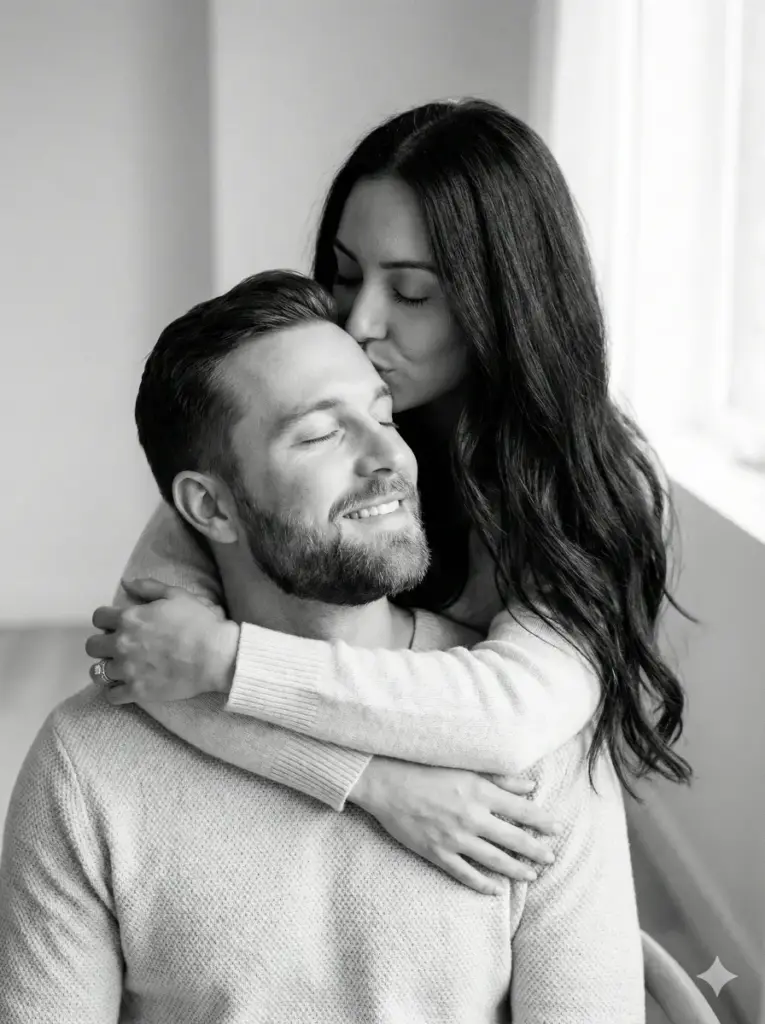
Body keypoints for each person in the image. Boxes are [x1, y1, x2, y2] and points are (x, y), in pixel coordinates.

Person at [0, 272, 645, 1022]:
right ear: (208, 506)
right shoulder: (88, 764)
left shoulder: (543, 748)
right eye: (316, 434)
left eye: (384, 416)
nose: (389, 458)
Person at [86, 98, 691, 893]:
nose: (358, 320)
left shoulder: (586, 485)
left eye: (410, 293)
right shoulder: (270, 452)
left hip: (514, 856)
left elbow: (513, 715)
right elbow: (151, 662)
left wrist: (230, 660)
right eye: (344, 273)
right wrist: (373, 783)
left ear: (503, 302)